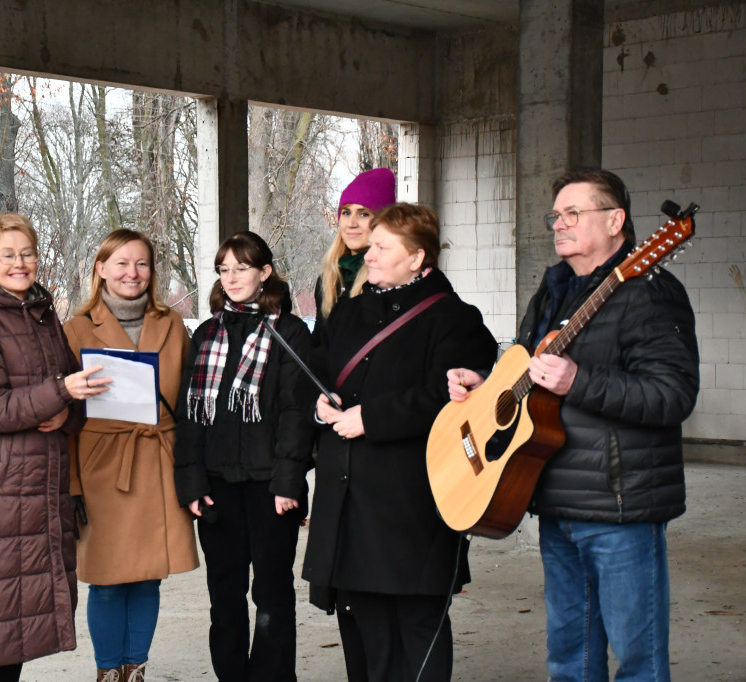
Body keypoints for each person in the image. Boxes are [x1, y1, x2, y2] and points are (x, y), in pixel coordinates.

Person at [447, 169, 699, 682]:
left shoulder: (650, 292)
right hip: (554, 497)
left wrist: (579, 381)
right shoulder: (555, 290)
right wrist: (487, 386)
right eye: (556, 216)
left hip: (620, 507)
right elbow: (528, 374)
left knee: (639, 662)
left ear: (615, 221)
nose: (558, 224)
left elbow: (673, 395)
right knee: (569, 658)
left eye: (573, 213)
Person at [302, 203, 497, 682]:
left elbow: (451, 397)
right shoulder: (348, 312)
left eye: (382, 247)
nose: (368, 255)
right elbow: (313, 371)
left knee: (416, 625)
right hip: (346, 501)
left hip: (411, 504)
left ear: (417, 257)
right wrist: (319, 404)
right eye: (371, 245)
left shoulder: (455, 318)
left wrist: (372, 418)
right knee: (362, 627)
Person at [0, 214, 107, 682]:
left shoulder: (41, 312)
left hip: (34, 484)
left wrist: (67, 412)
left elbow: (71, 390)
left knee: (16, 617)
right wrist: (59, 395)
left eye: (27, 253)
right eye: (7, 255)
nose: (19, 262)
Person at [174, 231, 314, 682]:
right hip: (217, 487)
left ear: (264, 272)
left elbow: (296, 412)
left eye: (242, 268)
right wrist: (191, 482)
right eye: (224, 269)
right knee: (225, 596)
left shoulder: (288, 332)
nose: (231, 278)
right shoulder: (206, 333)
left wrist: (288, 482)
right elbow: (189, 414)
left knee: (272, 594)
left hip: (270, 488)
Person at [62, 229, 199, 682]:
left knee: (147, 575)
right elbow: (65, 416)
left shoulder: (173, 324)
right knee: (106, 578)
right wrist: (72, 483)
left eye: (141, 263)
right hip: (102, 465)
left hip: (159, 459)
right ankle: (107, 671)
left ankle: (135, 668)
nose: (132, 273)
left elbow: (190, 402)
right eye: (121, 263)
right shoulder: (75, 329)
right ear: (101, 268)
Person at [313, 167, 396, 336]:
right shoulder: (329, 279)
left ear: (383, 222)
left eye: (363, 214)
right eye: (346, 212)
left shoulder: (390, 280)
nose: (351, 223)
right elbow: (319, 343)